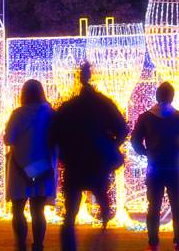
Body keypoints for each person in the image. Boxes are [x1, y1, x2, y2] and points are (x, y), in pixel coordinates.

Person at [49, 62, 128, 251]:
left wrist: (66, 152)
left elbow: (55, 135)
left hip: (74, 164)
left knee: (70, 214)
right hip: (97, 163)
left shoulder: (68, 107)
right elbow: (123, 129)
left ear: (78, 78)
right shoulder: (103, 104)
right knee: (103, 202)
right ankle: (103, 240)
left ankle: (71, 247)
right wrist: (108, 145)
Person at [130, 82, 179, 251]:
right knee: (177, 206)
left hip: (154, 167)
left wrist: (147, 153)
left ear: (157, 96)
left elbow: (135, 141)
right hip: (175, 167)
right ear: (172, 97)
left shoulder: (145, 117)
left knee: (153, 206)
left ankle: (153, 243)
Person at [4, 78, 56, 251]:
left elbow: (9, 139)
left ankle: (21, 244)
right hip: (42, 167)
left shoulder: (18, 114)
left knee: (18, 209)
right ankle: (38, 245)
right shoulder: (50, 113)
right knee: (38, 211)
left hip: (20, 168)